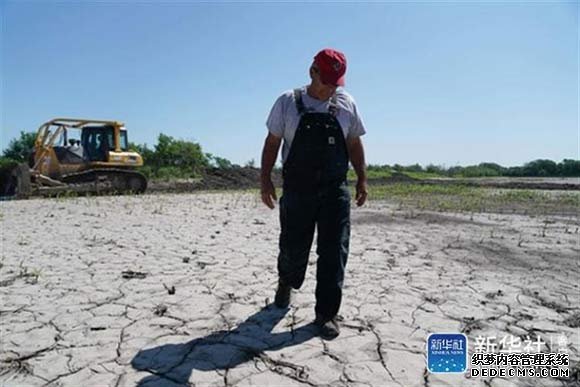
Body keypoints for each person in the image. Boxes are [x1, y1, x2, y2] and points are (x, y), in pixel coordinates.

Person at [260, 48, 368, 339]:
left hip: (335, 188)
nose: (332, 86)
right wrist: (265, 179)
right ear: (312, 72)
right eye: (327, 80)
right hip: (298, 187)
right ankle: (286, 281)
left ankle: (327, 314)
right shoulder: (287, 102)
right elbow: (272, 143)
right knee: (293, 246)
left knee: (334, 251)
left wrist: (361, 179)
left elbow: (354, 144)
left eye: (337, 81)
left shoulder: (347, 104)